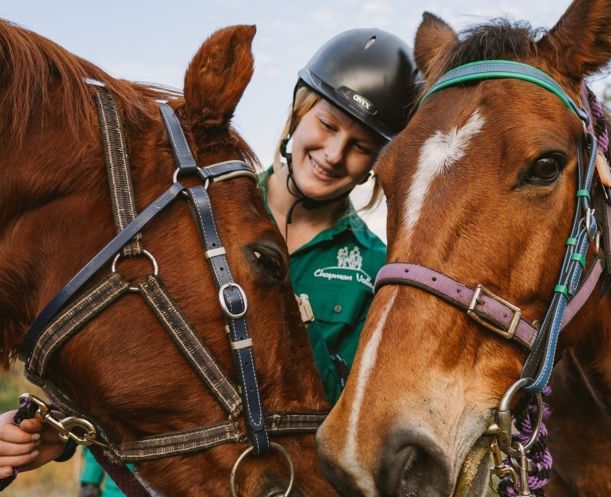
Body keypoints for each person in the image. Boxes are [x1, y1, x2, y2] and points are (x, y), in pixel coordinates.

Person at [0, 27, 418, 493]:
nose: (335, 154)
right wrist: (58, 434)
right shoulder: (188, 209)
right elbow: (125, 339)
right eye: (328, 125)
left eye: (361, 147)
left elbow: (352, 420)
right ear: (299, 112)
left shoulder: (377, 271)